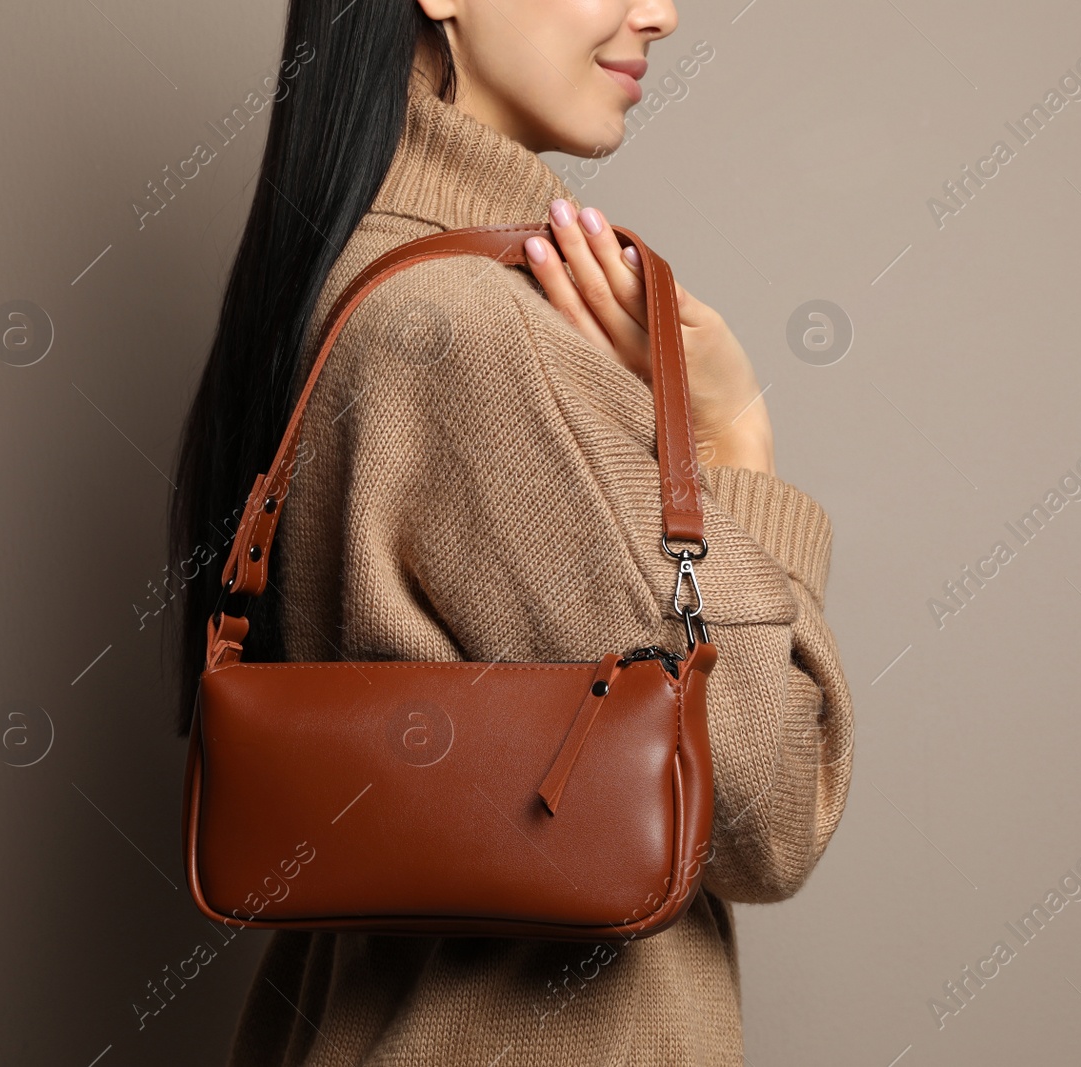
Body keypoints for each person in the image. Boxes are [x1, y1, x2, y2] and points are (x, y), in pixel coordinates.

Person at [168, 1, 854, 1063]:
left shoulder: (360, 275)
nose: (659, 13)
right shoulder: (470, 329)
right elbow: (768, 810)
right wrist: (735, 445)